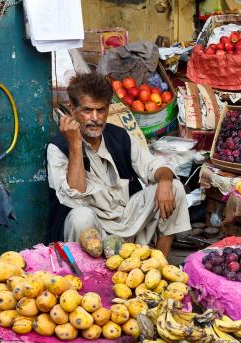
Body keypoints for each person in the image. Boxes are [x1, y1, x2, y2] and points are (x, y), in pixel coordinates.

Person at [46, 72, 191, 257]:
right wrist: (75, 145)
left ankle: (160, 264)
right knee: (79, 217)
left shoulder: (119, 136)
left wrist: (164, 181)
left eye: (101, 110)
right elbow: (76, 193)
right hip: (93, 228)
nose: (95, 118)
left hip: (126, 219)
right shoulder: (57, 148)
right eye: (87, 110)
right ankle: (89, 278)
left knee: (174, 187)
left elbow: (153, 166)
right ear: (72, 110)